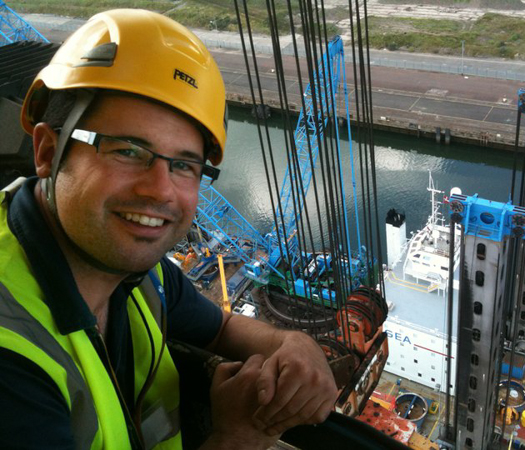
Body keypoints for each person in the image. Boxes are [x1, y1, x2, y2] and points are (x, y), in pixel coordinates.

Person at [0, 9, 337, 450]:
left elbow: (218, 329)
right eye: (126, 150)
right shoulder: (13, 360)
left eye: (184, 165)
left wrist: (293, 343)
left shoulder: (139, 272)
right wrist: (238, 436)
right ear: (47, 151)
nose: (160, 190)